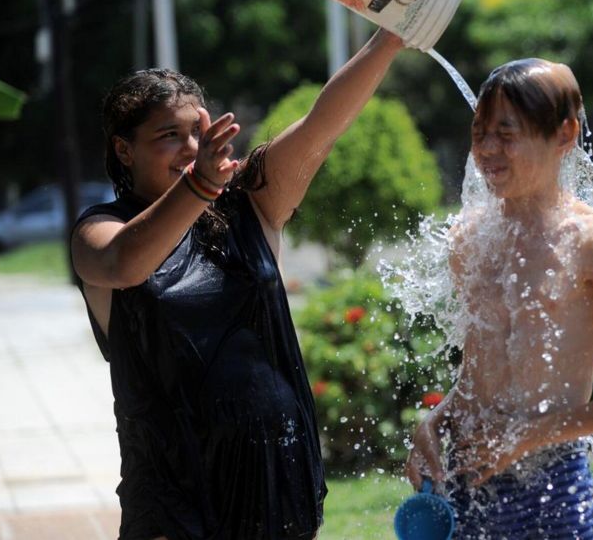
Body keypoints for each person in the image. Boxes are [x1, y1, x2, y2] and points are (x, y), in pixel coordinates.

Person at [70, 30, 403, 539]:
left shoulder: (249, 201)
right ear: (124, 149)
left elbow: (321, 126)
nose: (189, 149)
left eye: (197, 134)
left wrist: (391, 39)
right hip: (175, 504)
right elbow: (125, 265)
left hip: (276, 483)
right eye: (168, 136)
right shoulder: (101, 230)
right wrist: (199, 183)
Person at [404, 59, 593, 539]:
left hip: (551, 490)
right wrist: (436, 421)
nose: (487, 150)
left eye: (506, 134)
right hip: (468, 482)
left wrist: (528, 437)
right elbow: (481, 376)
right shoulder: (470, 237)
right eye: (479, 133)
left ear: (565, 135)